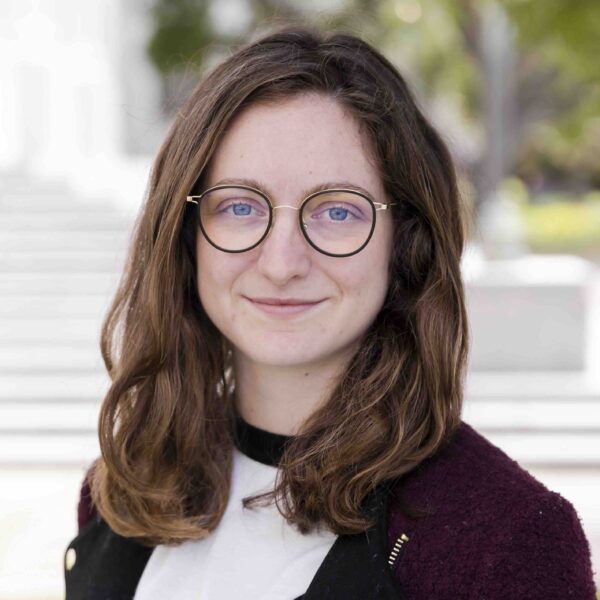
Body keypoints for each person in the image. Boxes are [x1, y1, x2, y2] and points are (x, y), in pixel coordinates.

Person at [63, 24, 597, 600]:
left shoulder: (508, 542)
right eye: (240, 207)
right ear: (186, 233)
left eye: (337, 212)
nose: (281, 263)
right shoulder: (125, 488)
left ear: (405, 242)